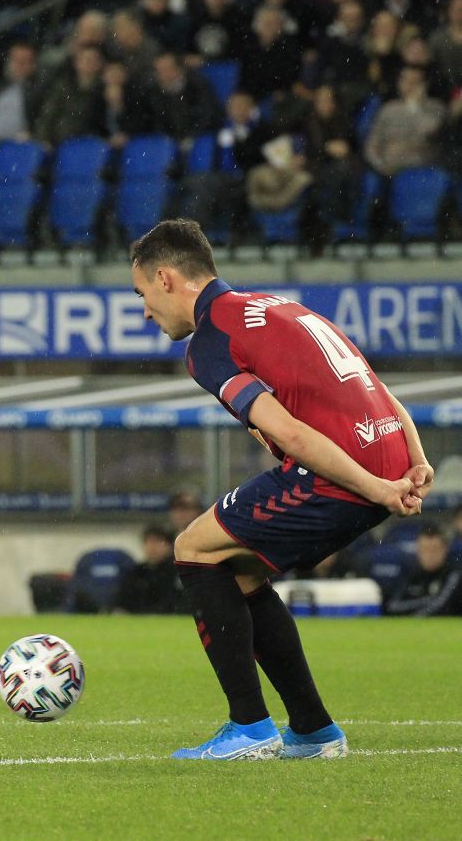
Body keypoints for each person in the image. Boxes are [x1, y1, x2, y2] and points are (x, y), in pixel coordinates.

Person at [129, 218, 431, 762]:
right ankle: (313, 730)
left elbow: (291, 432)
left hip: (344, 473)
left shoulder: (210, 342)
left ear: (165, 277)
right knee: (240, 573)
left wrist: (379, 490)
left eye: (142, 294)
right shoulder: (277, 305)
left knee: (193, 548)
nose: (144, 310)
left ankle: (249, 727)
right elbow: (372, 382)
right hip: (385, 451)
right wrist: (413, 457)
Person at [385, 524, 462, 616]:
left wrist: (414, 619)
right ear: (418, 550)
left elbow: (441, 606)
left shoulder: (455, 573)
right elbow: (393, 606)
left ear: (445, 549)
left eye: (434, 550)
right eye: (425, 549)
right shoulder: (413, 573)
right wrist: (428, 600)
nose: (429, 555)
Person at [114, 526, 181, 614]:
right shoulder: (136, 572)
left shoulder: (176, 572)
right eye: (148, 542)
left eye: (158, 542)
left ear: (170, 546)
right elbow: (121, 599)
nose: (152, 547)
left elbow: (176, 603)